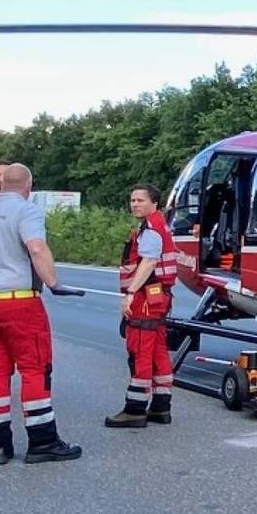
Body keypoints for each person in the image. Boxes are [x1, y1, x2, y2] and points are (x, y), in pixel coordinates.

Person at [0, 163, 80, 466]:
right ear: (28, 185)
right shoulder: (26, 211)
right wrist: (54, 283)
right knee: (34, 368)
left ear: (1, 184)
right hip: (18, 301)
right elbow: (36, 248)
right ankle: (43, 442)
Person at [108, 183, 182, 428]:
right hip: (159, 295)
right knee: (158, 349)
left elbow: (148, 262)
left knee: (140, 350)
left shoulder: (151, 229)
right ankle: (161, 407)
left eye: (140, 200)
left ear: (154, 203)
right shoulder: (158, 225)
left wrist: (129, 293)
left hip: (146, 296)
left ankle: (135, 409)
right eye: (132, 200)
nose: (135, 204)